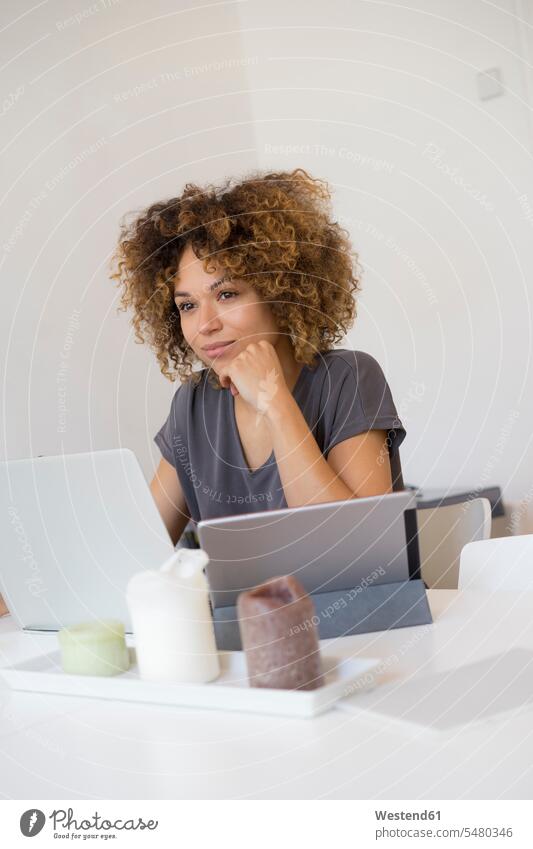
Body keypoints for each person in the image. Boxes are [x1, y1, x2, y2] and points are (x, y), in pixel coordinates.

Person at [110, 168, 406, 547]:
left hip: (356, 606)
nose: (205, 325)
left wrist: (276, 403)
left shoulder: (348, 378)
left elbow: (358, 548)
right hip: (248, 610)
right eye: (187, 305)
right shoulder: (193, 404)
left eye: (227, 294)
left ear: (280, 292)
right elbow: (139, 548)